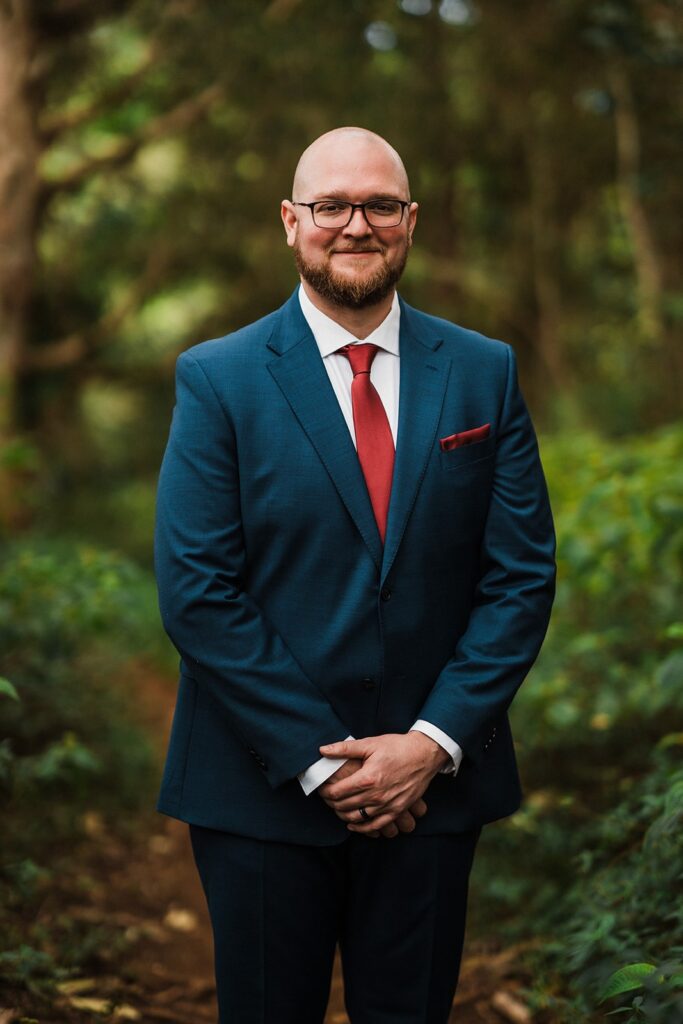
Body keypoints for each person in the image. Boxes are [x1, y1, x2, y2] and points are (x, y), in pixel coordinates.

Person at [154, 126, 556, 1024]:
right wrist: (319, 764)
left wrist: (429, 745)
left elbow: (519, 580)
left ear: (409, 221)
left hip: (431, 792)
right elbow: (197, 591)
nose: (355, 225)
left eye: (378, 205)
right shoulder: (217, 379)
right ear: (290, 223)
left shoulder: (483, 373)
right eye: (331, 205)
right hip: (256, 789)